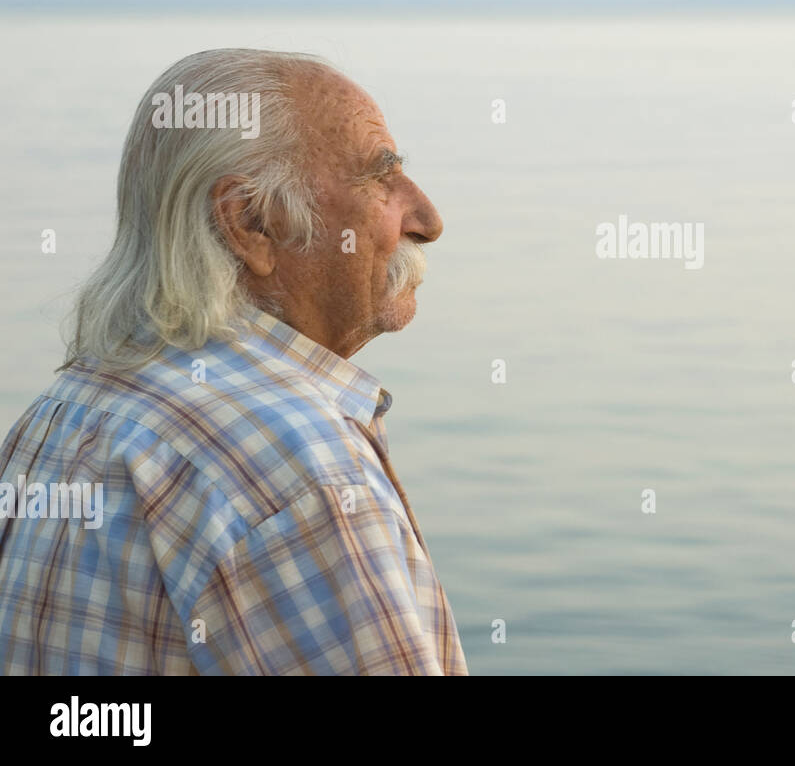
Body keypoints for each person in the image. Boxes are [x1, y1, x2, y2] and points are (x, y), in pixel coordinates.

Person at [0, 49, 467, 674]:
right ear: (249, 222)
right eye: (379, 179)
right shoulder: (296, 465)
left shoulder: (58, 416)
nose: (429, 220)